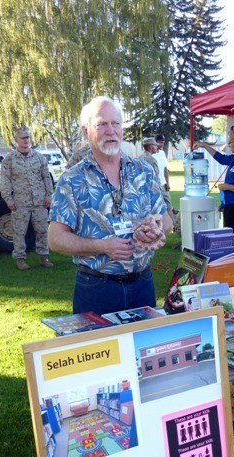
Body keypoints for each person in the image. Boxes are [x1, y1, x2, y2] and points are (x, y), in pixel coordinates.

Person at [49, 96, 171, 315]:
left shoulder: (143, 171)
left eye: (116, 123)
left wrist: (157, 226)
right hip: (96, 289)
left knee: (144, 349)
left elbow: (167, 219)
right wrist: (102, 246)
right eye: (101, 124)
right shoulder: (72, 179)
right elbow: (55, 239)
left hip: (142, 284)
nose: (110, 130)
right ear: (87, 132)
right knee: (99, 350)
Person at [0, 125, 54, 271]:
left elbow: (46, 178)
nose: (26, 140)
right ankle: (20, 258)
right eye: (23, 138)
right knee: (19, 231)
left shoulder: (39, 157)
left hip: (39, 201)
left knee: (43, 230)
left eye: (28, 137)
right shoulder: (9, 159)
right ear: (16, 140)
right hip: (20, 202)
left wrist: (49, 196)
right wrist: (8, 199)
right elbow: (5, 180)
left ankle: (44, 257)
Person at [195, 128, 234, 246]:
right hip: (231, 205)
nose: (229, 145)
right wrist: (204, 145)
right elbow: (220, 158)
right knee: (232, 238)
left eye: (230, 143)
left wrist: (227, 186)